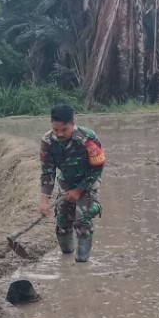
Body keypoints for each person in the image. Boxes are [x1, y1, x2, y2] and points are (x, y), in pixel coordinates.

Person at [39, 104, 105, 262]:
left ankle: (82, 263)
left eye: (64, 130)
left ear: (72, 124)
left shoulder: (87, 138)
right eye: (56, 130)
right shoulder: (47, 141)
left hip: (88, 180)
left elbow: (97, 167)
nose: (59, 134)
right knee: (62, 220)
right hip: (66, 180)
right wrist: (44, 200)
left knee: (82, 218)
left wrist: (79, 190)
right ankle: (66, 257)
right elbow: (48, 172)